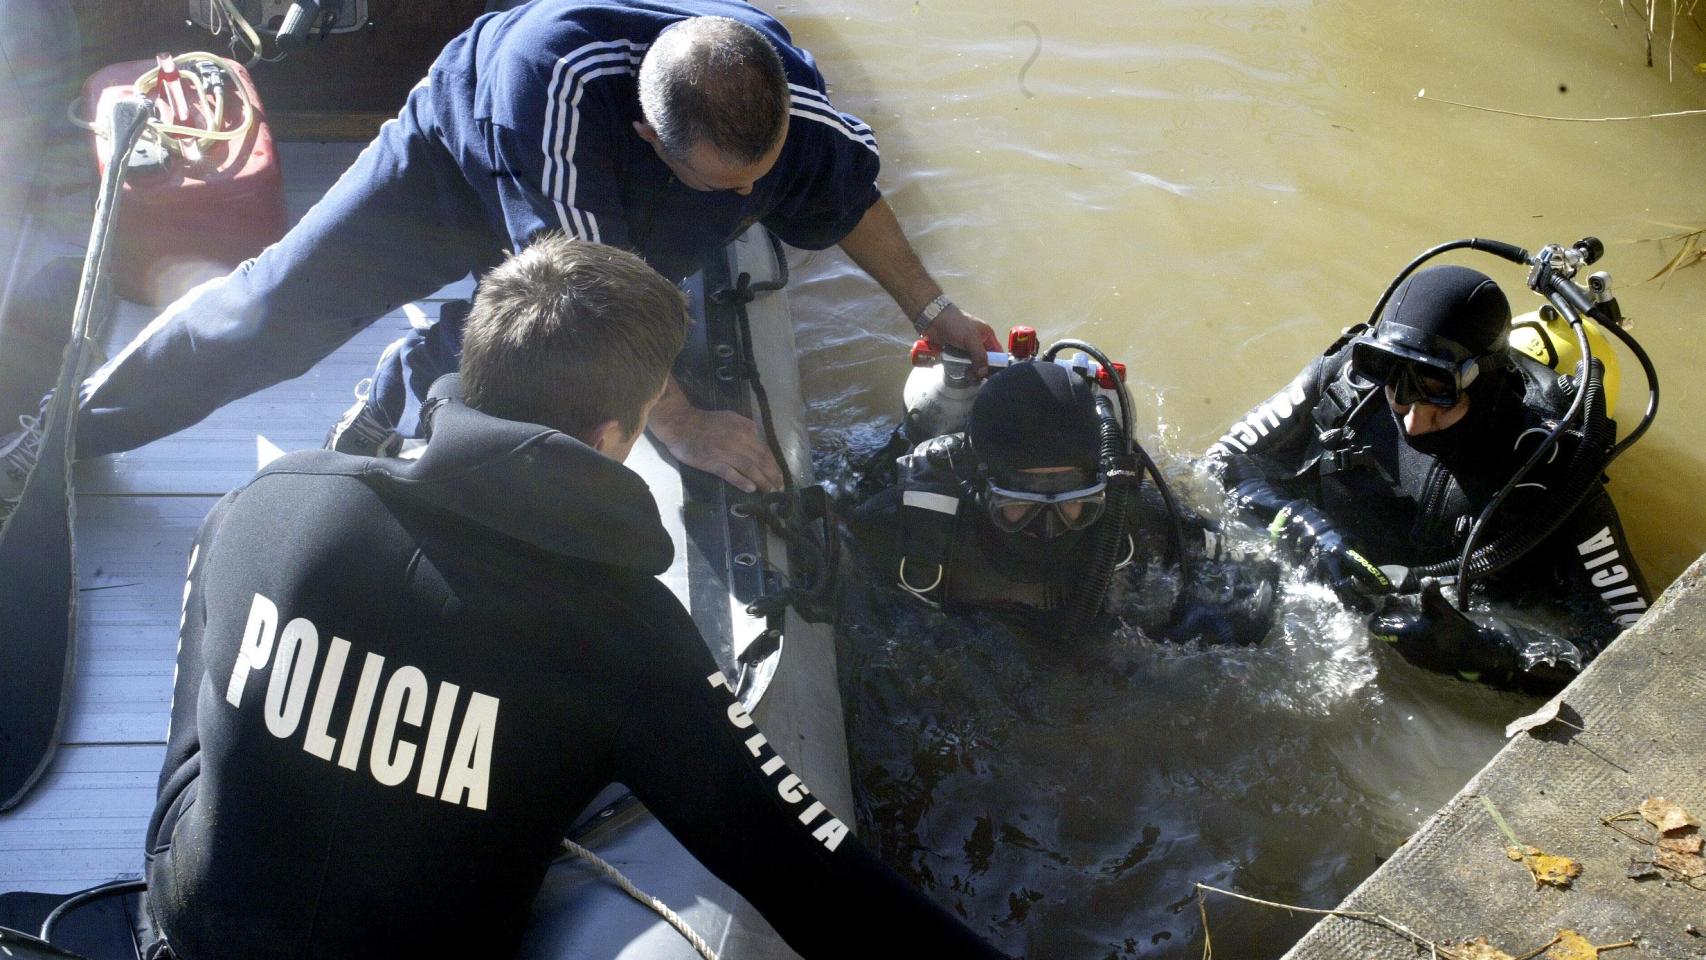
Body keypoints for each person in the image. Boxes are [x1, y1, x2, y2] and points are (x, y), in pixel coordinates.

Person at [139, 235, 1007, 960]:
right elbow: (809, 869)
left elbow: (190, 758)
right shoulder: (625, 637)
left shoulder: (271, 498)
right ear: (608, 437)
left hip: (191, 921)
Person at [0, 0, 1000, 526]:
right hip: (454, 155)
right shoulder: (550, 95)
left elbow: (848, 201)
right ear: (653, 145)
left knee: (544, 345)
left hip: (633, 205)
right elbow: (577, 295)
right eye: (724, 185)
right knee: (275, 311)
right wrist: (684, 424)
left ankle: (413, 379)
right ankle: (66, 431)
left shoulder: (786, 118)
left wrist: (934, 306)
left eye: (764, 178)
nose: (752, 203)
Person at [1205, 264, 1650, 689]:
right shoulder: (1349, 382)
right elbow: (1223, 458)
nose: (1414, 422)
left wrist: (1488, 651)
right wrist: (1305, 529)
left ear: (1486, 381)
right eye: (1397, 390)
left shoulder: (1551, 468)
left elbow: (1631, 637)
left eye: (1438, 395)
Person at [849, 360, 1279, 646]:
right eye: (1018, 505)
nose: (1048, 526)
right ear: (978, 485)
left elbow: (1249, 561)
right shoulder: (910, 525)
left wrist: (1213, 618)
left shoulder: (1128, 515)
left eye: (1076, 505)